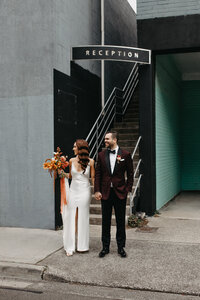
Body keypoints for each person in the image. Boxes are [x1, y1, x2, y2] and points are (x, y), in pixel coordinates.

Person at [94, 131, 133, 258]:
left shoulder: (125, 155)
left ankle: (121, 247)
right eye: (105, 139)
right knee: (106, 221)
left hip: (120, 192)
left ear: (114, 140)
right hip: (105, 193)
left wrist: (127, 188)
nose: (105, 141)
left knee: (120, 221)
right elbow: (98, 174)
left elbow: (130, 174)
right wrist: (97, 190)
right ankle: (105, 247)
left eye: (107, 139)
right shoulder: (101, 155)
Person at [62, 139, 95, 256]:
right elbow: (70, 176)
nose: (73, 148)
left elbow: (93, 179)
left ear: (80, 148)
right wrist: (60, 171)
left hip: (85, 191)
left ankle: (82, 245)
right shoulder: (71, 160)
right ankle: (70, 246)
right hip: (73, 191)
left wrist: (96, 192)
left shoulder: (91, 162)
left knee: (83, 216)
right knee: (71, 216)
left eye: (75, 147)